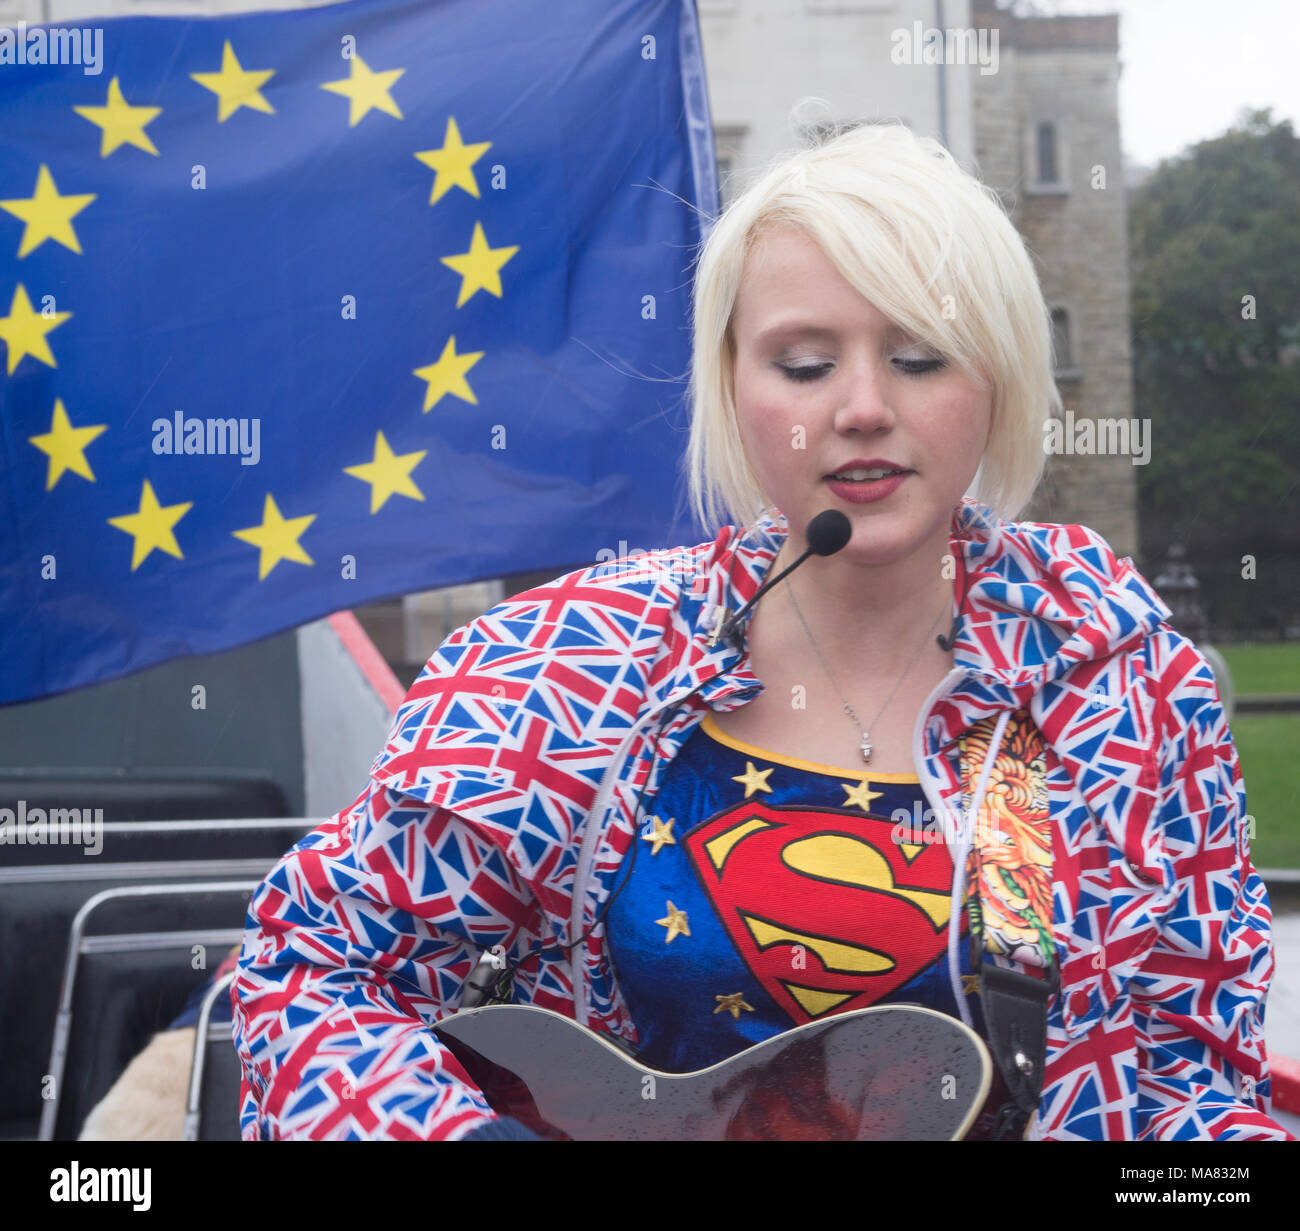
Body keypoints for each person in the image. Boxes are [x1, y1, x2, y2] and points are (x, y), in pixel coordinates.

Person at [231, 120, 1292, 1141]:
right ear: (732, 387)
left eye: (920, 357)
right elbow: (316, 967)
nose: (862, 406)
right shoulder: (573, 662)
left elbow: (1180, 1083)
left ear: (999, 378)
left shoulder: (1107, 680)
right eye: (802, 362)